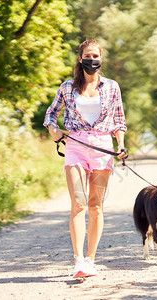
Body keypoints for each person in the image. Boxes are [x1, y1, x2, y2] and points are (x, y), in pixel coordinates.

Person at [43, 40, 127, 279]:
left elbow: (119, 122)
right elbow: (51, 113)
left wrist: (120, 145)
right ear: (80, 59)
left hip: (102, 147)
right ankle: (78, 259)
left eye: (96, 55)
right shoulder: (68, 87)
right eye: (87, 55)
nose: (92, 59)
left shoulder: (112, 87)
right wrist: (53, 129)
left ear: (101, 59)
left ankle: (91, 259)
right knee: (78, 204)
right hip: (76, 145)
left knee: (96, 206)